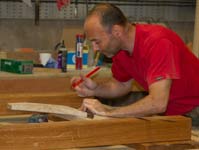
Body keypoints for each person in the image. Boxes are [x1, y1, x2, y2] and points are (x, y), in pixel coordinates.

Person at [71, 3, 199, 118]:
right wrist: (95, 89)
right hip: (174, 114)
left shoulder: (158, 43)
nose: (95, 48)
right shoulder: (120, 50)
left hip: (195, 111)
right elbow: (122, 85)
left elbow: (158, 103)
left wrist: (107, 112)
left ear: (116, 31)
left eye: (97, 41)